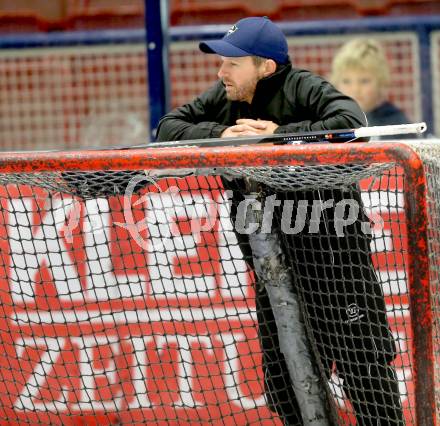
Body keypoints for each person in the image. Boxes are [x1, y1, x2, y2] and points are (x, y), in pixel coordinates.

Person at [156, 17, 403, 425]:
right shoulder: (225, 97)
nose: (221, 73)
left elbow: (352, 124)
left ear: (265, 66)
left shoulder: (303, 86)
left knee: (368, 380)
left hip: (338, 269)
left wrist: (280, 135)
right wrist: (222, 136)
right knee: (288, 392)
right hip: (273, 274)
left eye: (232, 64)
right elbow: (167, 128)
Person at [330, 37, 408, 128]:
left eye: (364, 81)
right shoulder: (328, 121)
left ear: (381, 82)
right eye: (346, 81)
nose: (355, 89)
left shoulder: (397, 124)